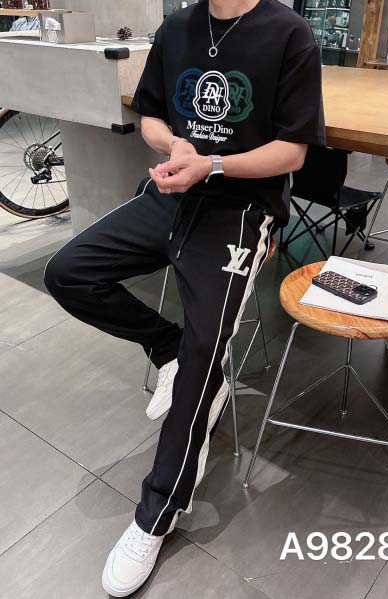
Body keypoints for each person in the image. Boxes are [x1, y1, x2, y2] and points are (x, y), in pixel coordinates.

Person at [44, 0, 325, 595]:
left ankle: (156, 514)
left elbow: (293, 152)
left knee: (204, 354)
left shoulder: (289, 34)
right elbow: (149, 114)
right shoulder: (177, 28)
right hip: (172, 195)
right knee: (68, 272)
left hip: (240, 210)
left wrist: (212, 164)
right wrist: (175, 147)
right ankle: (164, 345)